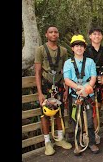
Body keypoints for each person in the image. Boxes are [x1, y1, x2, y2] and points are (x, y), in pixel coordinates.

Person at [34, 25, 72, 156]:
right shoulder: (41, 50)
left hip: (60, 86)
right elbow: (38, 72)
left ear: (58, 34)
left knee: (59, 112)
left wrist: (66, 90)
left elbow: (65, 71)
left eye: (56, 32)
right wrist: (39, 93)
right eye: (51, 32)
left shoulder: (63, 51)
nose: (54, 34)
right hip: (46, 86)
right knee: (45, 114)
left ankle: (60, 139)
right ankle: (47, 142)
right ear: (46, 34)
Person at [63, 34, 99, 155]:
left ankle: (92, 142)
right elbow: (67, 79)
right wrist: (79, 88)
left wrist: (87, 88)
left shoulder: (90, 62)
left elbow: (93, 77)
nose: (79, 48)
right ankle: (77, 144)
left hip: (88, 94)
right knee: (76, 120)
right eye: (76, 46)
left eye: (81, 46)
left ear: (84, 48)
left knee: (89, 119)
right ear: (72, 48)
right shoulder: (68, 63)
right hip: (75, 94)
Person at [84, 26, 103, 144]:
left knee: (98, 107)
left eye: (99, 34)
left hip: (101, 84)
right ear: (90, 36)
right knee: (89, 109)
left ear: (102, 36)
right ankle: (88, 134)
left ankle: (95, 133)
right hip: (88, 82)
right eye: (94, 34)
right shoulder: (84, 50)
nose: (97, 36)